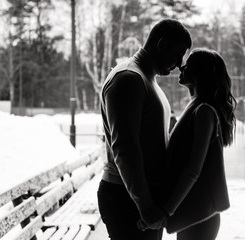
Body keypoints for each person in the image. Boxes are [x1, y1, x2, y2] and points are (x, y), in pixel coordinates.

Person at [97, 19, 192, 240]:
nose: (179, 64)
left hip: (134, 197)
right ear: (161, 44)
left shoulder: (144, 79)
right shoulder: (129, 79)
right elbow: (125, 148)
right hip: (128, 199)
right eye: (178, 54)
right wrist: (146, 206)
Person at [162, 48, 237, 239]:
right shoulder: (197, 106)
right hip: (195, 212)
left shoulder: (204, 111)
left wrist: (166, 210)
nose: (181, 68)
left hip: (200, 216)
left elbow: (193, 169)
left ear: (199, 72)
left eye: (187, 65)